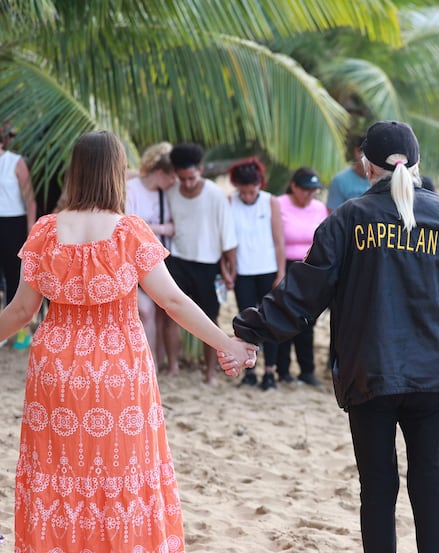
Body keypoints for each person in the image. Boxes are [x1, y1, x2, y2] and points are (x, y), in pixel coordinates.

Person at [230, 120, 439, 553]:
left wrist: (250, 332)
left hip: (367, 371)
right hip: (433, 375)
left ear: (364, 165)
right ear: (417, 163)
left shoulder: (347, 219)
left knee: (377, 489)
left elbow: (302, 294)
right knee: (429, 484)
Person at [0, 130, 256, 552]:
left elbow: (21, 312)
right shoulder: (129, 233)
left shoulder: (45, 232)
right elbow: (173, 301)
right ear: (117, 173)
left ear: (75, 172)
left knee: (59, 469)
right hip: (118, 368)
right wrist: (224, 343)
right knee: (122, 470)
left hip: (56, 371)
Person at [166, 142, 238, 384]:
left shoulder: (215, 195)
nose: (186, 183)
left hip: (209, 264)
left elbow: (228, 237)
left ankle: (210, 373)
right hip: (177, 260)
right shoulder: (170, 191)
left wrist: (230, 271)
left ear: (201, 169)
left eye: (191, 177)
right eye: (182, 178)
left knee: (211, 319)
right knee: (170, 317)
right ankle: (173, 368)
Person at [229, 157, 286, 390]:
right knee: (246, 323)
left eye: (252, 192)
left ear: (259, 186)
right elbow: (229, 240)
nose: (248, 196)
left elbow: (279, 241)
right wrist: (229, 268)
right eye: (244, 192)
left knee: (270, 322)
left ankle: (270, 371)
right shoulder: (230, 202)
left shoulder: (270, 201)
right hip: (243, 271)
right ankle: (249, 370)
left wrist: (281, 271)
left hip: (267, 269)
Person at [274, 167, 328, 386]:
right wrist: (279, 271)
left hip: (311, 268)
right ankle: (283, 369)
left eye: (314, 190)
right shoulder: (278, 204)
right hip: (286, 264)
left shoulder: (319, 208)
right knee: (284, 317)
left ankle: (307, 370)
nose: (310, 194)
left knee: (308, 321)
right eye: (306, 189)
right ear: (294, 186)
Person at [125, 142, 178, 371]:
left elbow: (173, 227)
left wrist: (151, 227)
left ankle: (156, 364)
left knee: (159, 313)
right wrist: (160, 228)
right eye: (171, 176)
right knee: (145, 311)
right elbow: (128, 226)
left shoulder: (166, 194)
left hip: (158, 261)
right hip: (133, 261)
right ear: (160, 173)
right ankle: (149, 365)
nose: (175, 181)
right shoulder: (131, 189)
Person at [0, 123, 36, 347]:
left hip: (14, 223)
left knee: (15, 276)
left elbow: (30, 198)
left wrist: (32, 229)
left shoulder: (15, 161)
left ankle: (20, 333)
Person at [326, 133, 370, 212]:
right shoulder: (340, 181)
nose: (369, 159)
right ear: (357, 152)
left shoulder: (385, 181)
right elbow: (332, 216)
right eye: (367, 154)